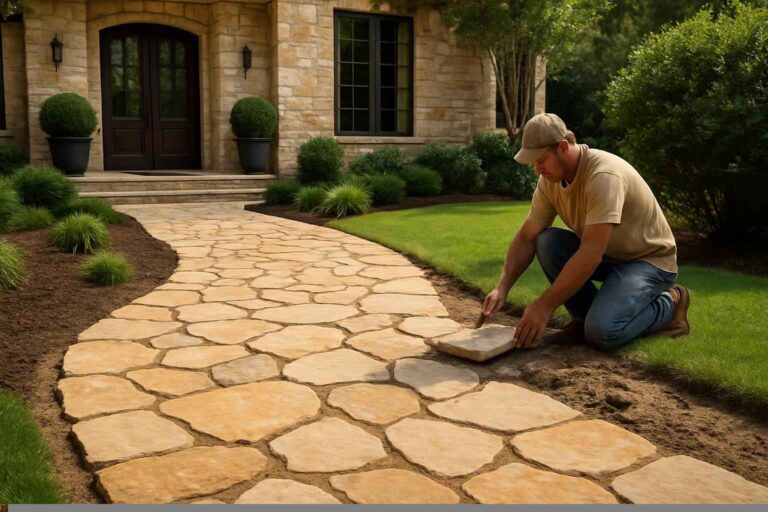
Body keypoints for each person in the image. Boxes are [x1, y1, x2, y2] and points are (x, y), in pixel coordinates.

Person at [482, 113, 691, 349]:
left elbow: (591, 252)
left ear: (562, 147)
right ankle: (586, 318)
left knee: (603, 332)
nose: (537, 169)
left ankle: (670, 303)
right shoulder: (549, 182)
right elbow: (527, 236)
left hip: (647, 261)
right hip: (608, 257)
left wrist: (544, 306)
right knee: (547, 241)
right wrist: (502, 287)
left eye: (541, 160)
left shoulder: (603, 176)